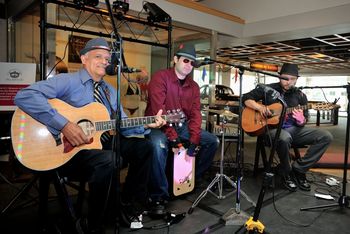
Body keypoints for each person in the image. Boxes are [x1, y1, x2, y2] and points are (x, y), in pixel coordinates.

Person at [14, 37, 166, 232]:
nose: (105, 61)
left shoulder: (110, 91)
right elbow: (24, 96)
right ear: (84, 58)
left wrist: (148, 123)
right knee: (110, 159)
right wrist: (64, 125)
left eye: (107, 58)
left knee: (144, 147)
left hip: (98, 145)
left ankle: (126, 203)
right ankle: (93, 224)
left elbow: (121, 125)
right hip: (68, 151)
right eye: (98, 56)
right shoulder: (67, 81)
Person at [145, 43, 219, 215]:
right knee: (158, 146)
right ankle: (158, 196)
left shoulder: (193, 86)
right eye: (185, 60)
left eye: (192, 63)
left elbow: (195, 115)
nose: (188, 65)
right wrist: (175, 140)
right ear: (175, 59)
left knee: (211, 141)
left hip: (182, 126)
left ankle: (192, 179)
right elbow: (159, 113)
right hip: (157, 126)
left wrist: (193, 141)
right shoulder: (160, 78)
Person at [242, 63, 333, 191]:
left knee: (325, 136)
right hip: (271, 130)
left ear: (296, 79)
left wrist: (301, 120)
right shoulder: (267, 89)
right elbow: (246, 98)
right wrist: (260, 107)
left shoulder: (300, 96)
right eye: (285, 78)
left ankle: (299, 169)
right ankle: (286, 172)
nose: (288, 82)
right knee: (284, 138)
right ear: (279, 77)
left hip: (294, 130)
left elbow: (303, 120)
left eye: (292, 79)